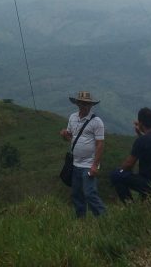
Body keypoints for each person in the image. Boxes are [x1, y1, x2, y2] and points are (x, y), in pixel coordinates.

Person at [59, 90, 106, 218]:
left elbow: (100, 144)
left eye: (87, 104)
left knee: (90, 193)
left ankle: (103, 218)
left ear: (91, 105)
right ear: (78, 104)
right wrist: (64, 134)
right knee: (76, 194)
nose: (85, 106)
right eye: (82, 103)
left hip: (88, 165)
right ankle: (81, 219)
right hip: (75, 163)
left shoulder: (97, 122)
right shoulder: (72, 118)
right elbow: (71, 137)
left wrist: (95, 165)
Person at [110, 107, 151, 202]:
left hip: (150, 184)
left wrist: (120, 171)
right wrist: (140, 135)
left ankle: (129, 204)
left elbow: (128, 164)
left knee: (116, 175)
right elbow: (149, 146)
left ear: (140, 124)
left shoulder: (142, 141)